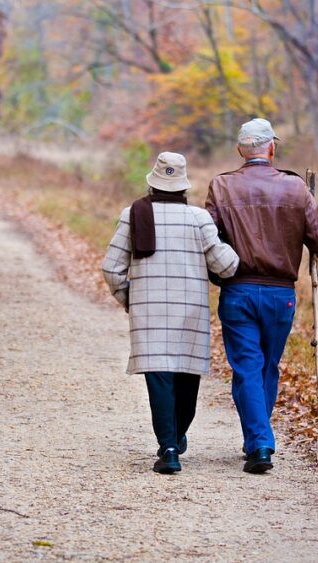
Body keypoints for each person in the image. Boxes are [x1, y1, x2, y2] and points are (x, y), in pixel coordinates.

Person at [205, 119, 318, 474]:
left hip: (238, 289)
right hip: (281, 295)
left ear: (240, 151)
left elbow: (206, 236)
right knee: (265, 366)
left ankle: (258, 440)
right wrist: (306, 206)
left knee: (248, 367)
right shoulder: (295, 188)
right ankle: (259, 440)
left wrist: (218, 267)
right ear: (272, 149)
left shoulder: (221, 186)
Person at [102, 152, 239, 474]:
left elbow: (111, 268)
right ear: (184, 187)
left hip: (148, 313)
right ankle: (176, 438)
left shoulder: (132, 215)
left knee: (159, 378)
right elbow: (227, 266)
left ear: (152, 183)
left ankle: (169, 448)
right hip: (190, 311)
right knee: (186, 378)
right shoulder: (199, 218)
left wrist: (129, 299)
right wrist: (231, 245)